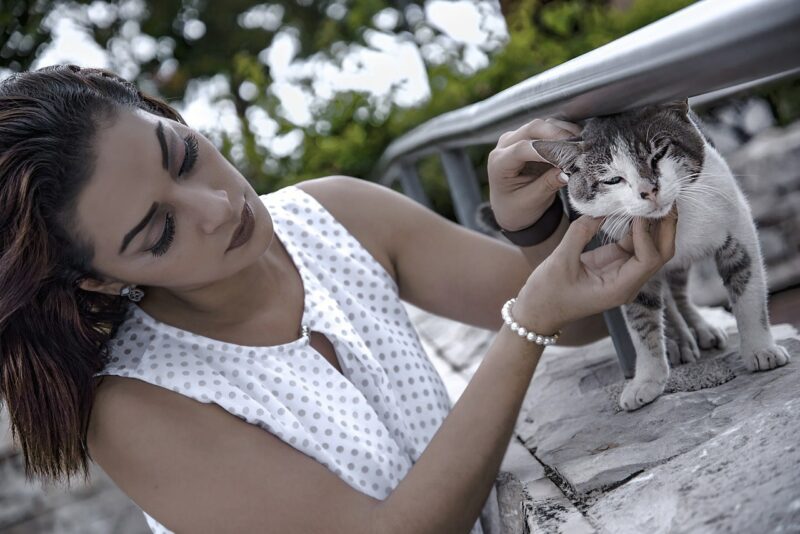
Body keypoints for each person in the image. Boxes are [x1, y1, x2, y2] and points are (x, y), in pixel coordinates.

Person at [0, 64, 676, 534]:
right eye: (161, 231)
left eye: (183, 155)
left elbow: (582, 320)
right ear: (96, 278)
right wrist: (526, 323)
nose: (216, 205)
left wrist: (528, 225)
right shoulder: (134, 406)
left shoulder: (332, 213)